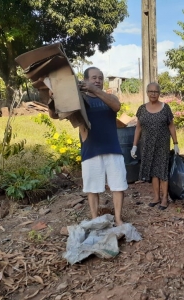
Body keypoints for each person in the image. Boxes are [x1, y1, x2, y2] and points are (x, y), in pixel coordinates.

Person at [49, 67, 127, 226]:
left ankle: (118, 219)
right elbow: (55, 115)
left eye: (100, 78)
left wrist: (95, 90)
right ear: (85, 80)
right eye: (93, 78)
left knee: (118, 185)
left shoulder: (108, 98)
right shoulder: (79, 100)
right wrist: (52, 100)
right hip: (90, 150)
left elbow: (117, 106)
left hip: (112, 148)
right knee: (93, 187)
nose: (97, 80)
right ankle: (94, 219)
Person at [131, 82, 179, 210]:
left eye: (156, 91)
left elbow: (171, 126)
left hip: (162, 145)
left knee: (162, 171)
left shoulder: (165, 108)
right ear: (147, 92)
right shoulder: (141, 109)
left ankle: (164, 199)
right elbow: (138, 128)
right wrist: (134, 146)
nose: (153, 94)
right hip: (147, 145)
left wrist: (175, 143)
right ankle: (156, 197)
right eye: (151, 91)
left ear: (159, 93)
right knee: (153, 172)